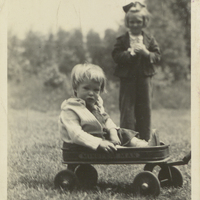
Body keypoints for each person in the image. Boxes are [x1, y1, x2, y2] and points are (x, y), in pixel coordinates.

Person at [58, 64, 160, 163]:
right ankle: (120, 150)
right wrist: (99, 143)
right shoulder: (70, 109)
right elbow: (76, 135)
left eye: (96, 90)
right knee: (110, 145)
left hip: (100, 136)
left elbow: (105, 119)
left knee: (122, 133)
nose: (91, 93)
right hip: (81, 144)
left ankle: (145, 146)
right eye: (86, 88)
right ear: (76, 88)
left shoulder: (96, 104)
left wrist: (112, 131)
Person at [112, 2, 161, 141]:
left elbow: (157, 56)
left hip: (145, 78)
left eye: (138, 22)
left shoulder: (150, 39)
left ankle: (144, 140)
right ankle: (128, 140)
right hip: (127, 79)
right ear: (127, 22)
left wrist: (146, 53)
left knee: (145, 108)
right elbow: (115, 56)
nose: (135, 25)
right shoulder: (122, 40)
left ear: (144, 22)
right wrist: (129, 54)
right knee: (127, 108)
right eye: (131, 22)